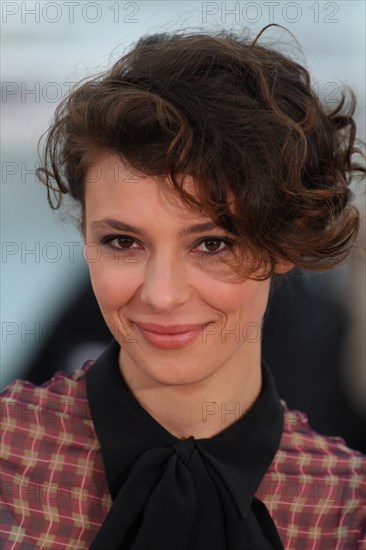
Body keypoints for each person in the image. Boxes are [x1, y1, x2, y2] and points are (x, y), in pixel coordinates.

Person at [1, 25, 365, 550]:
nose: (161, 295)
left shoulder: (348, 510)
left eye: (213, 244)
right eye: (123, 242)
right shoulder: (10, 463)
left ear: (288, 242)